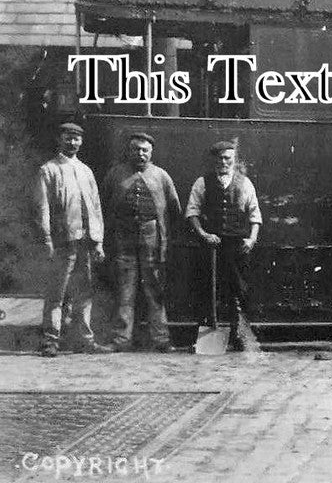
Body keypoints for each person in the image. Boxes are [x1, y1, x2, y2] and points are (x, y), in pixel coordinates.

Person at [33, 122, 110, 357]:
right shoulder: (48, 170)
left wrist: (98, 242)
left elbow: (95, 208)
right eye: (68, 137)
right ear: (59, 139)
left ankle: (85, 340)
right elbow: (41, 208)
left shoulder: (86, 171)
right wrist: (46, 240)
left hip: (86, 242)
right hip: (62, 242)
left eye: (76, 138)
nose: (72, 142)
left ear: (81, 142)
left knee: (84, 293)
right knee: (57, 293)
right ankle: (51, 340)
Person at [101, 132, 182, 353]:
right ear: (128, 151)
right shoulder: (115, 174)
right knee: (125, 291)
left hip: (152, 238)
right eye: (136, 149)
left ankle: (161, 339)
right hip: (123, 239)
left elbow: (174, 209)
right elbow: (105, 203)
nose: (140, 153)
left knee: (155, 290)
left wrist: (163, 236)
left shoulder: (161, 176)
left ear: (151, 153)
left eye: (144, 150)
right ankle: (121, 340)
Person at [185, 140, 263, 352]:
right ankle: (208, 339)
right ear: (214, 160)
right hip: (211, 245)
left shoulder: (244, 183)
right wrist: (204, 234)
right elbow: (192, 212)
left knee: (238, 291)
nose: (223, 162)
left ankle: (239, 336)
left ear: (234, 160)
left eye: (228, 158)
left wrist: (252, 239)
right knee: (208, 290)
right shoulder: (202, 183)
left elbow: (255, 214)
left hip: (237, 245)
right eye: (220, 158)